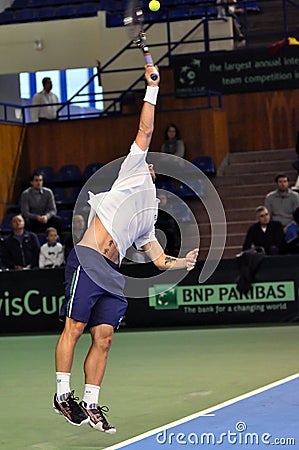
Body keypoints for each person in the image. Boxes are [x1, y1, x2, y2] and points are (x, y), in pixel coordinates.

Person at [53, 65, 199, 433]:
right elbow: (146, 128)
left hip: (112, 274)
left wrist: (183, 262)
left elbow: (157, 257)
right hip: (89, 259)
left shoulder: (148, 216)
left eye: (152, 165)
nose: (150, 163)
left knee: (104, 338)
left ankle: (91, 403)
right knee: (74, 327)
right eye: (148, 160)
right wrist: (152, 89)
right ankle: (61, 395)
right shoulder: (132, 169)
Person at [20, 171, 63, 238]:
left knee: (57, 220)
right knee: (26, 222)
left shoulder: (48, 192)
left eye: (40, 180)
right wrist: (37, 217)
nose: (39, 183)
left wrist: (46, 216)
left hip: (46, 218)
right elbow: (25, 212)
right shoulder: (25, 194)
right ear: (32, 182)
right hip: (33, 219)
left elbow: (53, 210)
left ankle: (60, 242)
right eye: (36, 180)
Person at [155, 192, 180, 256]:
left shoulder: (171, 212)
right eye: (159, 198)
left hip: (170, 238)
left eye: (163, 198)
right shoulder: (153, 212)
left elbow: (176, 227)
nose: (161, 201)